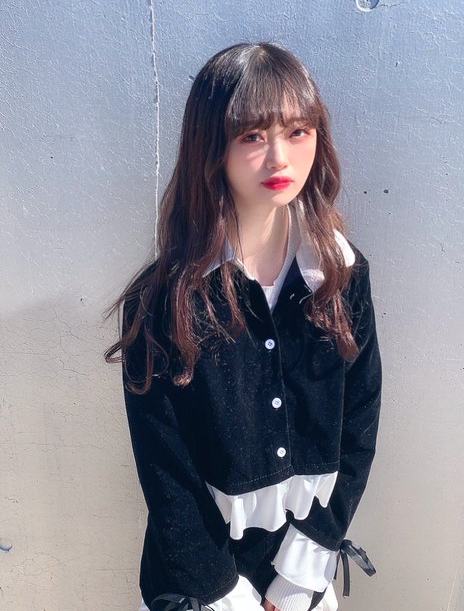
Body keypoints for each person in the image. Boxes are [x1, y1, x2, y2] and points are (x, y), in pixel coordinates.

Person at [104, 42, 382, 611]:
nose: (280, 158)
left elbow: (359, 423)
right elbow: (165, 471)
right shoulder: (163, 302)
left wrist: (303, 570)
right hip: (202, 580)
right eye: (253, 136)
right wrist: (223, 592)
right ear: (213, 147)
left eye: (298, 131)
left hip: (305, 562)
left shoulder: (341, 273)